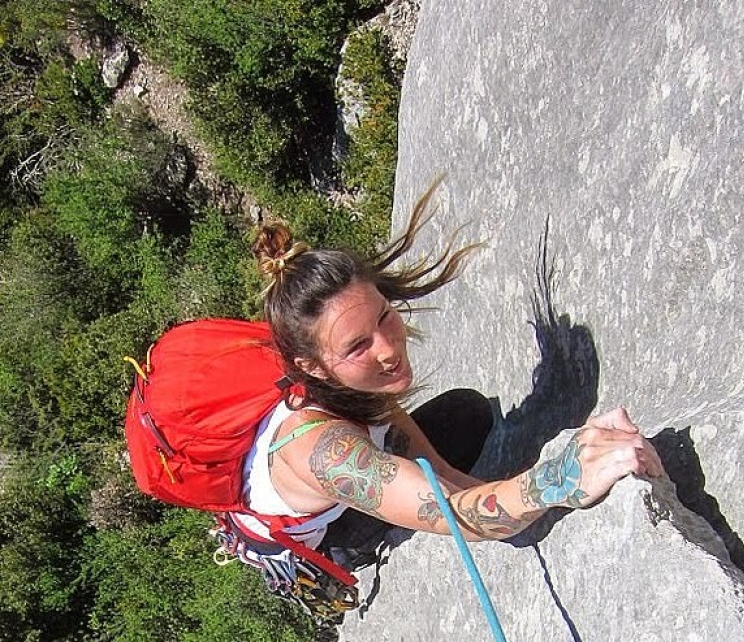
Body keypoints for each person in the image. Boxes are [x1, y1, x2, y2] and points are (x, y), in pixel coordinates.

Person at [237, 184, 664, 567]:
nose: (387, 350)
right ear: (312, 367)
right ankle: (355, 553)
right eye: (357, 346)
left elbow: (450, 483)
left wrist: (535, 481)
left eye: (384, 317)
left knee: (466, 413)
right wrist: (561, 480)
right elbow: (458, 516)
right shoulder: (327, 456)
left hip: (327, 462)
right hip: (322, 536)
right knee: (414, 475)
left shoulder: (352, 387)